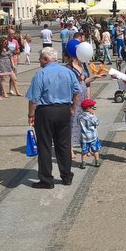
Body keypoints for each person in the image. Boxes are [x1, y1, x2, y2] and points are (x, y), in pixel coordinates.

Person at [27, 47, 80, 189]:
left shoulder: (41, 74)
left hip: (46, 111)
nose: (39, 61)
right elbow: (77, 92)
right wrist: (73, 108)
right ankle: (66, 175)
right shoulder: (68, 72)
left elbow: (33, 99)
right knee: (63, 144)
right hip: (64, 110)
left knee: (44, 145)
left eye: (40, 59)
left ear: (46, 59)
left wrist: (31, 114)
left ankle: (46, 179)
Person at [78, 98, 102, 169]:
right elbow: (97, 123)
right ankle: (97, 162)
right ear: (88, 108)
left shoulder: (80, 116)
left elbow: (77, 122)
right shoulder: (92, 117)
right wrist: (94, 116)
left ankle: (83, 164)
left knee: (84, 151)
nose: (94, 109)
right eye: (93, 107)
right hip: (93, 137)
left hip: (84, 138)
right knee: (95, 150)